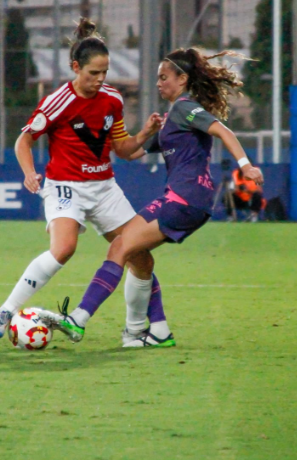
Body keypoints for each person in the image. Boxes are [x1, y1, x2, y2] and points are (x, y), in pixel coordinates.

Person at [39, 47, 264, 347]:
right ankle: (157, 330)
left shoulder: (185, 108)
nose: (159, 83)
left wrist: (245, 165)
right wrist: (144, 132)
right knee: (134, 254)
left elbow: (223, 131)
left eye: (164, 77)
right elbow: (130, 153)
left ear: (182, 79)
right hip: (187, 199)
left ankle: (78, 320)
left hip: (185, 198)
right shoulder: (172, 120)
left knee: (119, 247)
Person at [0, 18, 168, 347]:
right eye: (92, 73)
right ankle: (5, 311)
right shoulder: (58, 101)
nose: (99, 80)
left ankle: (135, 332)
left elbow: (122, 149)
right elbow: (23, 142)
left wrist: (145, 134)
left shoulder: (112, 100)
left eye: (104, 73)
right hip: (65, 187)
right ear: (75, 68)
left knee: (141, 256)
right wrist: (29, 173)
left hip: (105, 188)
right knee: (64, 248)